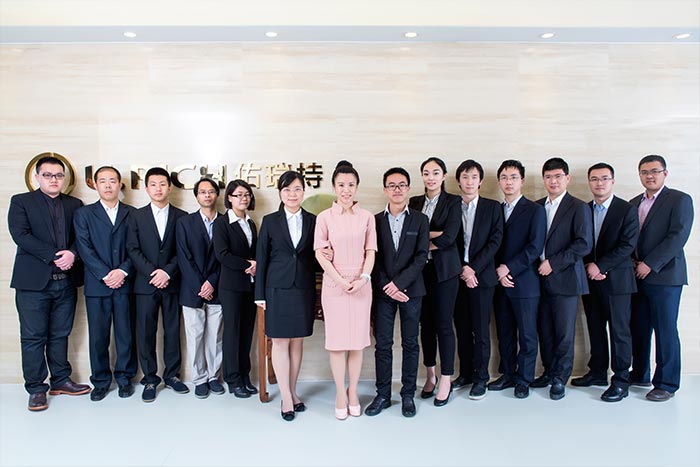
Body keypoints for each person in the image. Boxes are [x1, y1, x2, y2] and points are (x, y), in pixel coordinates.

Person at [8, 155, 91, 411]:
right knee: (33, 337)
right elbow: (21, 235)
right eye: (48, 175)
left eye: (58, 175)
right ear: (37, 177)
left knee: (60, 334)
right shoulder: (21, 202)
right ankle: (36, 388)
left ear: (64, 178)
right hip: (33, 284)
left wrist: (72, 254)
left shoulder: (74, 204)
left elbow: (82, 237)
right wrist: (56, 256)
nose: (54, 180)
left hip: (65, 282)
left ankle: (61, 380)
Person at [314, 160, 377, 420]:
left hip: (361, 286)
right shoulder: (324, 217)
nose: (346, 190)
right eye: (341, 185)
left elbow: (370, 251)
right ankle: (341, 392)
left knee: (357, 344)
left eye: (351, 184)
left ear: (357, 187)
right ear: (334, 187)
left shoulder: (367, 217)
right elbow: (320, 253)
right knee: (338, 344)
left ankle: (353, 392)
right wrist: (340, 281)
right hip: (334, 286)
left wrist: (363, 278)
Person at [365, 167, 429, 418]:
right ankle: (382, 394)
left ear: (409, 189)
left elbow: (421, 256)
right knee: (383, 344)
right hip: (383, 292)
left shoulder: (420, 220)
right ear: (385, 190)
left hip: (412, 291)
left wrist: (399, 284)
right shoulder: (374, 221)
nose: (397, 189)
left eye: (402, 185)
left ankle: (407, 395)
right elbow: (373, 257)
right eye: (392, 185)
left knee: (411, 343)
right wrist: (387, 286)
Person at [629, 155, 693, 402]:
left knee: (665, 330)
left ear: (665, 173)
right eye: (644, 172)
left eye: (654, 171)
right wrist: (633, 262)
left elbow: (678, 236)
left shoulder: (679, 200)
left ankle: (666, 383)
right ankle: (640, 373)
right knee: (639, 327)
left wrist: (650, 264)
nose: (650, 176)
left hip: (665, 277)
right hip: (637, 275)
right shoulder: (634, 203)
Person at [573, 163, 639, 402]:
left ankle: (621, 380)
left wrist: (601, 266)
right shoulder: (583, 209)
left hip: (617, 281)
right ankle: (598, 372)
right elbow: (580, 241)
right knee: (595, 327)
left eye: (604, 178)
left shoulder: (626, 209)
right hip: (590, 280)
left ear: (612, 181)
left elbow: (628, 245)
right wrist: (589, 267)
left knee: (619, 331)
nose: (599, 183)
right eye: (594, 179)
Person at [255, 171, 318, 421]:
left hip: (303, 287)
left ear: (304, 191)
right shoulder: (270, 221)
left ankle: (292, 390)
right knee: (280, 342)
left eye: (297, 189)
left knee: (297, 341)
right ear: (280, 193)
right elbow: (262, 257)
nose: (292, 194)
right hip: (277, 288)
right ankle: (286, 397)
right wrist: (260, 294)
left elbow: (316, 255)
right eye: (287, 189)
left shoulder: (313, 220)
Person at [74, 166, 137, 401]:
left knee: (125, 334)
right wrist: (105, 274)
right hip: (97, 285)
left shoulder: (132, 214)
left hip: (125, 283)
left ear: (120, 184)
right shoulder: (83, 214)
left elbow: (137, 248)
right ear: (95, 185)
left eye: (112, 180)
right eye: (103, 181)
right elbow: (84, 248)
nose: (108, 185)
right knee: (98, 336)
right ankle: (100, 381)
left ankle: (124, 379)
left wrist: (122, 271)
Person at [533, 157, 592, 400]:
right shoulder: (537, 206)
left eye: (558, 176)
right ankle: (548, 371)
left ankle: (560, 377)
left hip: (565, 279)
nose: (553, 181)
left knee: (564, 333)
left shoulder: (578, 207)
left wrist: (553, 263)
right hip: (538, 279)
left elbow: (583, 244)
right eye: (548, 177)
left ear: (567, 178)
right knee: (544, 330)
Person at [126, 167, 188, 402]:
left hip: (172, 283)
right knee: (145, 333)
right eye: (153, 184)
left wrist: (168, 272)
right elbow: (132, 249)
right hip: (145, 283)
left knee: (172, 331)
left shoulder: (182, 217)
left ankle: (172, 375)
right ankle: (150, 379)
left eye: (163, 184)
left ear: (170, 188)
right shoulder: (136, 216)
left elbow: (183, 251)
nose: (158, 188)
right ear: (146, 188)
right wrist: (153, 273)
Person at [490, 160, 546, 399]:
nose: (508, 182)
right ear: (499, 182)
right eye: (504, 177)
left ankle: (524, 378)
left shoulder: (535, 210)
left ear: (521, 181)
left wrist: (508, 269)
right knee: (504, 333)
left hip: (525, 282)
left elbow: (535, 248)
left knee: (527, 334)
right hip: (499, 282)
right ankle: (508, 374)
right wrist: (498, 271)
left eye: (513, 177)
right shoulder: (495, 209)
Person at [408, 157, 462, 406]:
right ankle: (430, 375)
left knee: (443, 324)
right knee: (425, 325)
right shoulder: (414, 202)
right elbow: (408, 235)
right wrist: (428, 236)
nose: (431, 177)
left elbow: (450, 237)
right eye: (426, 173)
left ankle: (446, 379)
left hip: (445, 272)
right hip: (420, 272)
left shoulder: (453, 202)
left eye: (436, 172)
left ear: (444, 176)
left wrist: (421, 237)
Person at [452, 160, 503, 400]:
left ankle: (481, 377)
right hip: (456, 277)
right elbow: (447, 241)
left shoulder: (492, 207)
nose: (469, 181)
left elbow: (495, 241)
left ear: (480, 181)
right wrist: (462, 269)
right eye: (465, 177)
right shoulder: (451, 206)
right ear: (458, 181)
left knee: (481, 330)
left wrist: (473, 269)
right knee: (462, 329)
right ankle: (466, 374)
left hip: (481, 277)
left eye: (474, 177)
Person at [175, 178, 225, 399]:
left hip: (217, 288)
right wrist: (200, 285)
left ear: (217, 195)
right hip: (191, 289)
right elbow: (183, 257)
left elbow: (225, 258)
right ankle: (200, 378)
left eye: (211, 191)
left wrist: (211, 282)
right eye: (203, 192)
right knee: (194, 337)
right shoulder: (185, 223)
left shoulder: (225, 222)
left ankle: (214, 376)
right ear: (196, 196)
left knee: (215, 336)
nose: (207, 195)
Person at [212, 179, 259, 398]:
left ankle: (244, 375)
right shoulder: (222, 223)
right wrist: (248, 264)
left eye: (246, 194)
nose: (243, 198)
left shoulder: (251, 222)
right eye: (238, 195)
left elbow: (254, 252)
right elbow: (222, 255)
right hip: (231, 286)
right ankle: (233, 379)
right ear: (229, 198)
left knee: (246, 332)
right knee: (232, 332)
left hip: (250, 286)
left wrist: (256, 265)